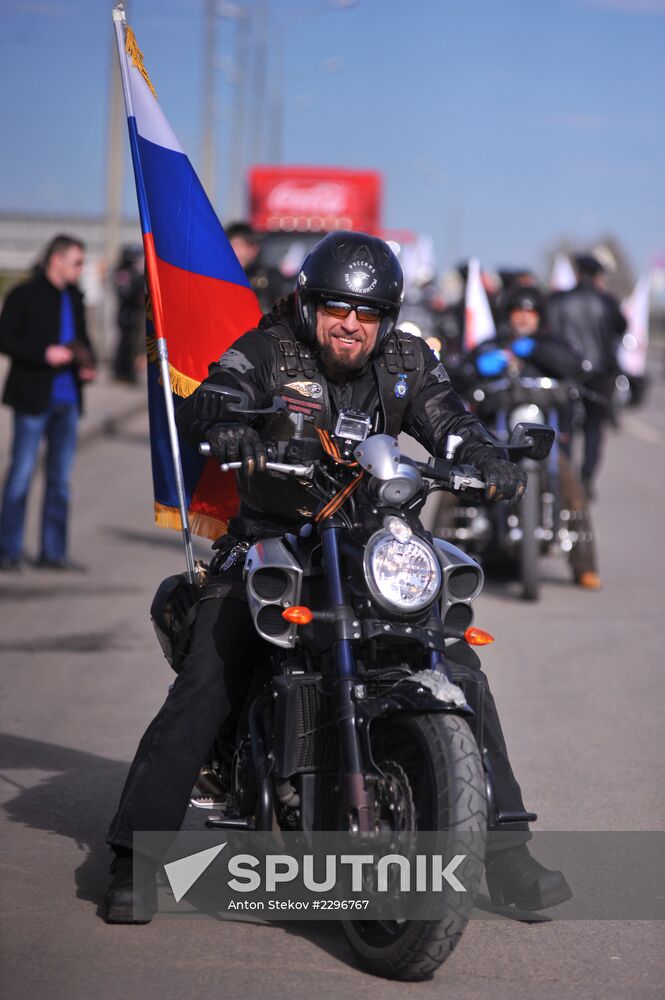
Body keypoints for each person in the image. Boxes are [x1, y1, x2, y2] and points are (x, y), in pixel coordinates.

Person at [104, 232, 571, 922]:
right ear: (310, 304)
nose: (351, 324)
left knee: (458, 664)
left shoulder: (406, 359)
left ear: (385, 317)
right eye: (337, 309)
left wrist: (487, 458)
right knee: (210, 675)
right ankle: (134, 859)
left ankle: (505, 854)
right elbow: (217, 391)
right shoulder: (270, 349)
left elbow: (450, 422)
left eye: (367, 312)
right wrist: (229, 422)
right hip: (272, 541)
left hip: (365, 544)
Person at [450, 286, 602, 589]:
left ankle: (584, 565)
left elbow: (574, 367)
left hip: (543, 437)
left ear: (539, 316)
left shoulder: (551, 344)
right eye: (517, 310)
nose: (522, 316)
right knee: (453, 483)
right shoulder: (492, 344)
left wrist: (533, 350)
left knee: (571, 484)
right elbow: (460, 374)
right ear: (508, 315)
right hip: (496, 435)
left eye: (529, 311)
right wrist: (479, 366)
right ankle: (441, 555)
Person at [0, 234, 96, 571]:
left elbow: (83, 338)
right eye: (77, 262)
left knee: (59, 481)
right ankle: (7, 550)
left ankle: (52, 552)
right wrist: (43, 354)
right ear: (56, 259)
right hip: (32, 398)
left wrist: (87, 364)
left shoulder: (75, 297)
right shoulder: (25, 294)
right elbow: (5, 338)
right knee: (21, 475)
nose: (81, 269)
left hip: (68, 401)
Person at [546, 254, 626, 498]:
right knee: (593, 429)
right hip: (600, 374)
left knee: (565, 427)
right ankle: (587, 478)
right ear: (597, 276)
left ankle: (566, 477)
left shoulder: (559, 300)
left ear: (578, 273)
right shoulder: (607, 301)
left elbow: (549, 329)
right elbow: (622, 328)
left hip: (567, 371)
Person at [226, 221, 285, 313]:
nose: (233, 251)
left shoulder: (271, 278)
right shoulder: (219, 278)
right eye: (229, 245)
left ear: (254, 249)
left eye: (238, 245)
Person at [112, 245, 145, 384]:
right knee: (125, 343)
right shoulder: (124, 273)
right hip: (126, 313)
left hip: (133, 312)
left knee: (132, 344)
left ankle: (128, 372)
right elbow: (126, 293)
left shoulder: (131, 273)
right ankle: (122, 372)